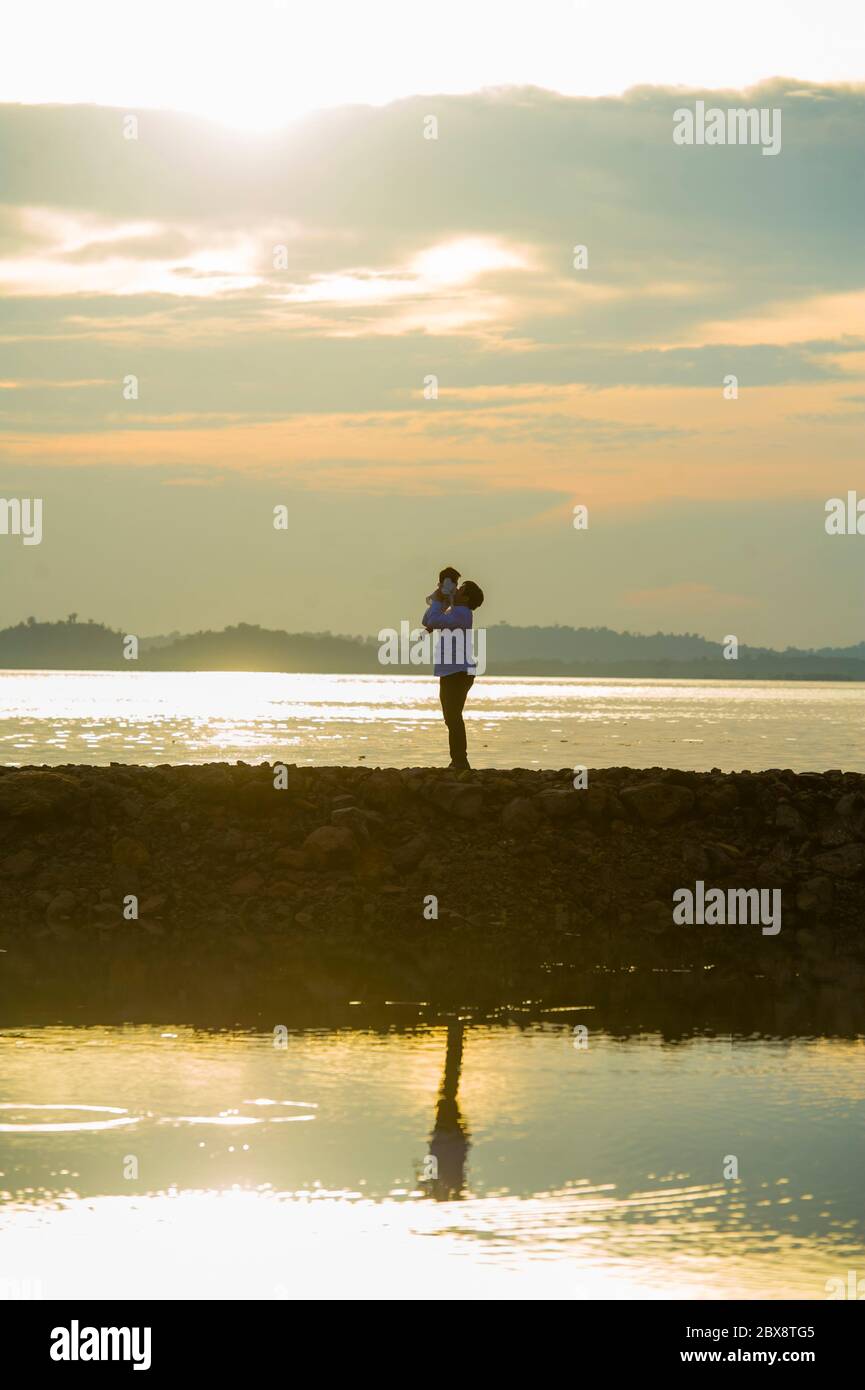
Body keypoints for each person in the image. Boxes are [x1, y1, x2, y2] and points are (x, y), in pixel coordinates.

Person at [422, 575, 485, 770]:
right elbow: (427, 621)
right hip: (451, 672)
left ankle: (460, 760)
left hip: (458, 672)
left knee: (453, 716)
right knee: (451, 717)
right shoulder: (455, 612)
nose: (456, 590)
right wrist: (439, 598)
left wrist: (438, 600)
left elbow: (432, 619)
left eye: (461, 589)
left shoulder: (461, 614)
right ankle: (458, 759)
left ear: (466, 598)